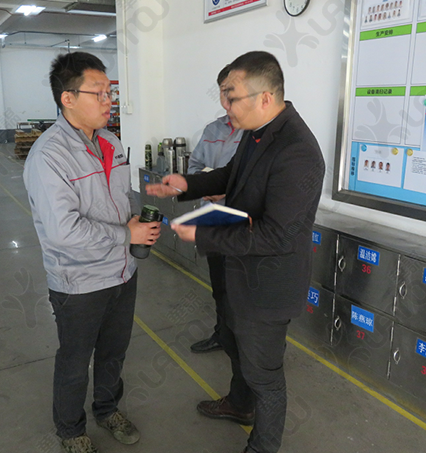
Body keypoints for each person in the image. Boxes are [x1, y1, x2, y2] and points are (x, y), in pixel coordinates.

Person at [147, 51, 325, 453]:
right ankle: (240, 404)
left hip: (265, 287)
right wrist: (187, 184)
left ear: (265, 97)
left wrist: (203, 235)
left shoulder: (297, 150)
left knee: (265, 375)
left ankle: (262, 446)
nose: (225, 106)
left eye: (232, 96)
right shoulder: (256, 131)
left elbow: (276, 237)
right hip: (236, 271)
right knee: (234, 345)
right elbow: (232, 175)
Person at [23, 52, 161, 453]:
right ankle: (71, 430)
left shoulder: (110, 142)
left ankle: (108, 409)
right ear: (67, 98)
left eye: (109, 93)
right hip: (79, 281)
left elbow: (121, 197)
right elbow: (63, 231)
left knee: (114, 352)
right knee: (75, 360)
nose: (108, 101)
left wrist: (134, 221)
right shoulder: (49, 156)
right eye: (98, 93)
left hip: (122, 272)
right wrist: (125, 233)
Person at [187, 64, 243, 354]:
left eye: (233, 92)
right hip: (212, 221)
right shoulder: (212, 129)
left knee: (243, 289)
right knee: (219, 286)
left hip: (242, 227)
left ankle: (246, 344)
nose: (227, 99)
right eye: (223, 92)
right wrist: (203, 183)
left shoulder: (257, 133)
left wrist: (227, 189)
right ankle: (222, 334)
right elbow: (195, 166)